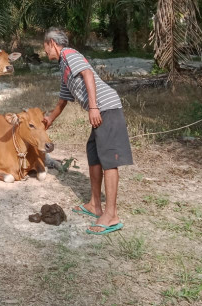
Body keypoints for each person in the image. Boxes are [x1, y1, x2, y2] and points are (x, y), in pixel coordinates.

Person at [41, 28, 133, 234]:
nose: (45, 52)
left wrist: (93, 106)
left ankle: (111, 215)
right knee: (93, 153)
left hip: (106, 107)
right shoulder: (64, 68)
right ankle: (94, 204)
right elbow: (62, 101)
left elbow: (88, 74)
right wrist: (50, 119)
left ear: (52, 44)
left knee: (109, 160)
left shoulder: (70, 54)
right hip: (101, 109)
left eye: (45, 47)